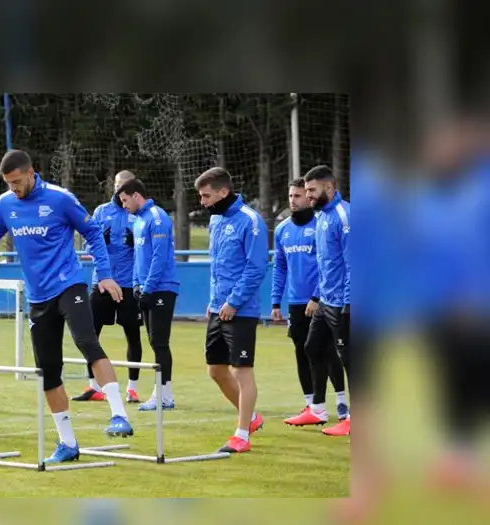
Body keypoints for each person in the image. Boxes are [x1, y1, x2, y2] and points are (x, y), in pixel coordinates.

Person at [0, 149, 134, 464]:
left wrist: (104, 274)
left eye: (17, 182)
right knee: (48, 371)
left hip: (68, 283)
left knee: (87, 340)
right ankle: (68, 443)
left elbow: (92, 233)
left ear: (31, 172)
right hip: (38, 296)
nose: (14, 189)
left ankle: (118, 414)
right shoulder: (7, 204)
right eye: (8, 184)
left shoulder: (60, 199)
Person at [196, 167, 268, 453]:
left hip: (241, 310)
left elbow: (255, 267)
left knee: (242, 371)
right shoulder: (215, 220)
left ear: (223, 192)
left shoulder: (251, 221)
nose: (203, 202)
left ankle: (242, 435)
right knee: (215, 371)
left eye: (206, 196)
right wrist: (214, 302)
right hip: (218, 308)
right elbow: (218, 267)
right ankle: (251, 418)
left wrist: (234, 302)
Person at [273, 178, 348, 421]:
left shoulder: (329, 220)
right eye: (292, 195)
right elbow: (280, 268)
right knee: (307, 349)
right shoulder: (282, 229)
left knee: (335, 352)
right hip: (303, 301)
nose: (294, 200)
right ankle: (314, 406)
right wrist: (276, 301)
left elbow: (336, 264)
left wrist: (318, 296)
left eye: (300, 195)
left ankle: (342, 402)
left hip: (328, 300)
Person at [72, 170, 144, 405]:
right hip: (101, 282)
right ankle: (94, 386)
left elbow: (146, 248)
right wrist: (96, 245)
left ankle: (132, 388)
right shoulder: (102, 212)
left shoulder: (139, 214)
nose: (118, 189)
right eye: (116, 184)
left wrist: (137, 244)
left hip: (128, 284)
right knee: (90, 334)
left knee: (132, 335)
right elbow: (88, 245)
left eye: (123, 185)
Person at [118, 178, 180, 412]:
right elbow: (138, 257)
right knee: (155, 341)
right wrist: (136, 284)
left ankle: (162, 394)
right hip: (146, 289)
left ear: (136, 195)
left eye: (125, 200)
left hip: (162, 287)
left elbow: (159, 257)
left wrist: (148, 287)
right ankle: (166, 394)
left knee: (160, 342)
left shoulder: (157, 217)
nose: (124, 205)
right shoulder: (137, 220)